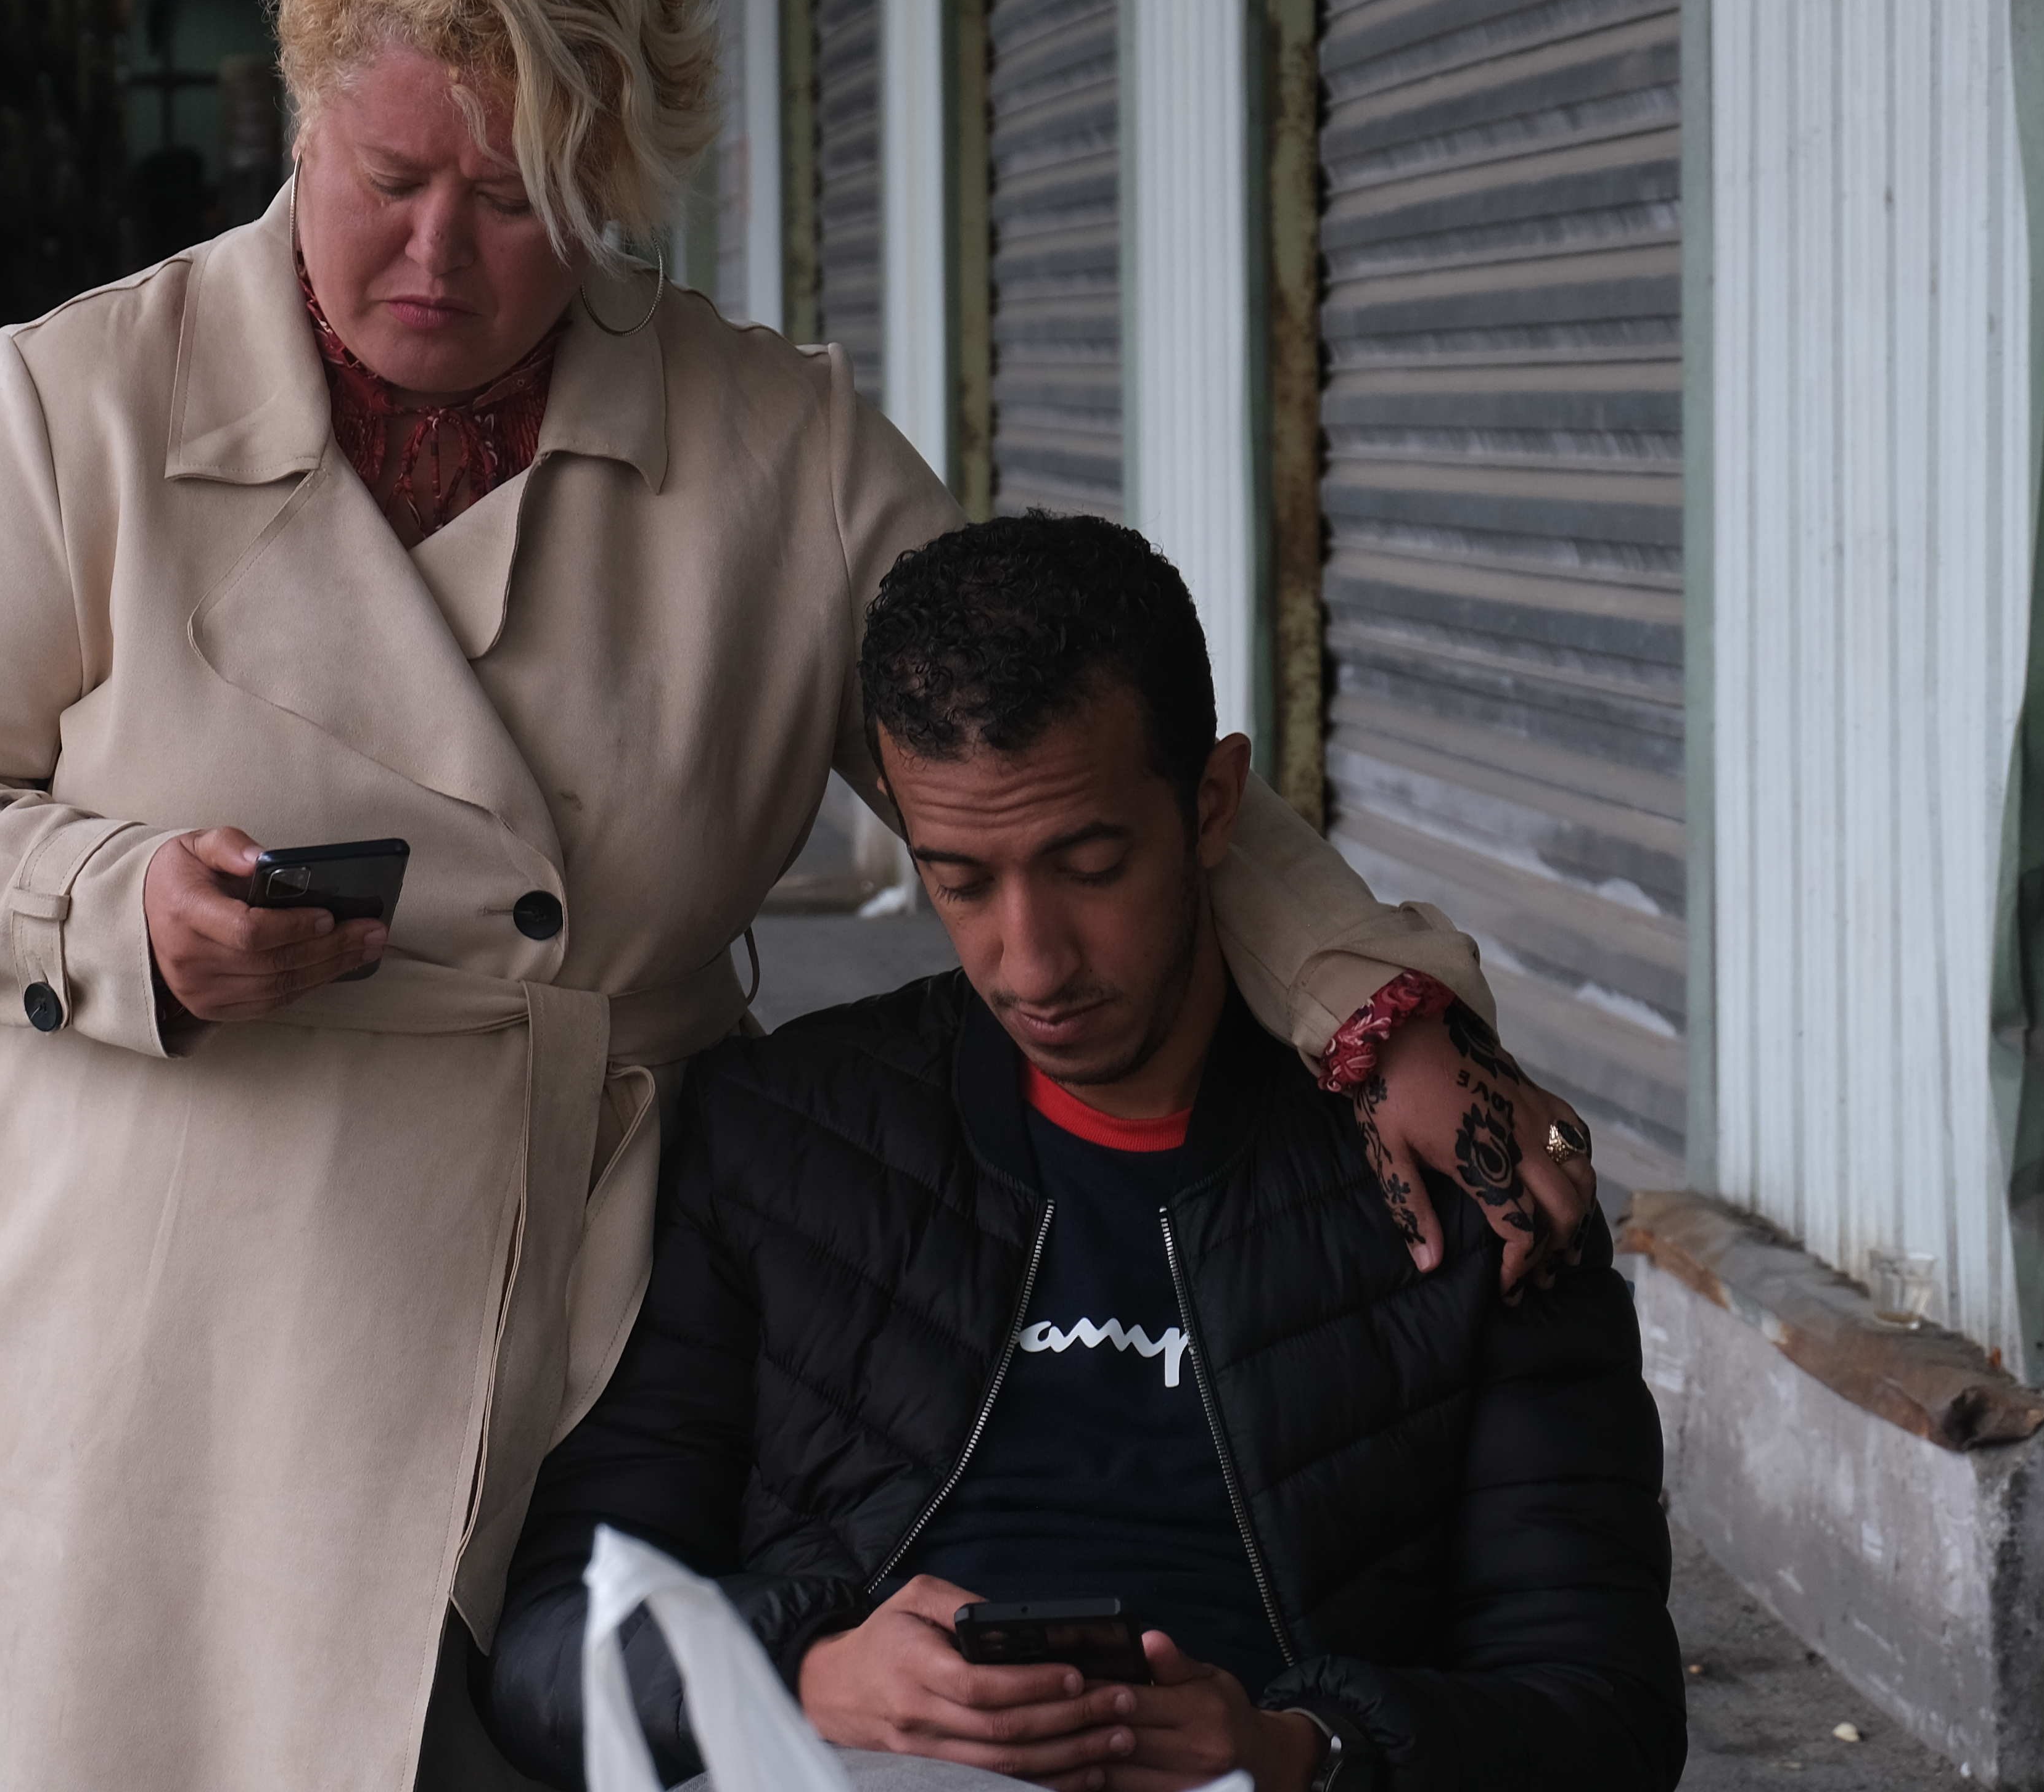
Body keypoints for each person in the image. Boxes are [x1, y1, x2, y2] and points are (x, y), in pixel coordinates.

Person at [0, 0, 1605, 1792]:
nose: (438, 255)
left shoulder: (768, 444)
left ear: (620, 193)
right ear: (298, 120)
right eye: (392, 178)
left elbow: (1067, 742)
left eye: (519, 200)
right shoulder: (83, 403)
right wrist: (117, 909)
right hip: (147, 1296)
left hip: (574, 1294)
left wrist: (1371, 1003)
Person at [482, 514, 1680, 1792]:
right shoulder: (783, 1134)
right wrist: (813, 1675)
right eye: (960, 880)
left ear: (1214, 805)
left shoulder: (1458, 1182)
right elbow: (556, 1650)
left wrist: (1300, 1754)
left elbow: (1602, 1717)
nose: (1032, 959)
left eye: (1090, 864)